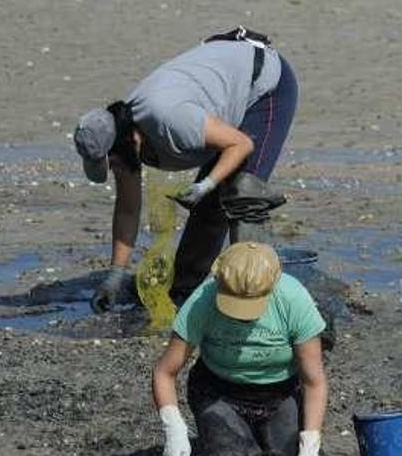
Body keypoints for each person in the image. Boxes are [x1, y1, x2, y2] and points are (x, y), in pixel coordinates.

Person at [73, 27, 296, 311]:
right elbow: (128, 210)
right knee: (209, 206)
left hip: (265, 87)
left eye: (112, 160)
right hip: (224, 96)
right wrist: (114, 278)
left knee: (243, 194)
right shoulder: (123, 141)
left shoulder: (169, 119)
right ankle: (183, 291)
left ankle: (253, 298)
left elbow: (240, 144)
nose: (115, 167)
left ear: (127, 140)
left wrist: (206, 184)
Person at [153, 241, 327, 456]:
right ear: (218, 280)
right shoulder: (202, 302)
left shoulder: (294, 300)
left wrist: (310, 442)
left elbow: (313, 382)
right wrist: (174, 429)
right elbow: (165, 372)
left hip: (281, 393)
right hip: (219, 391)